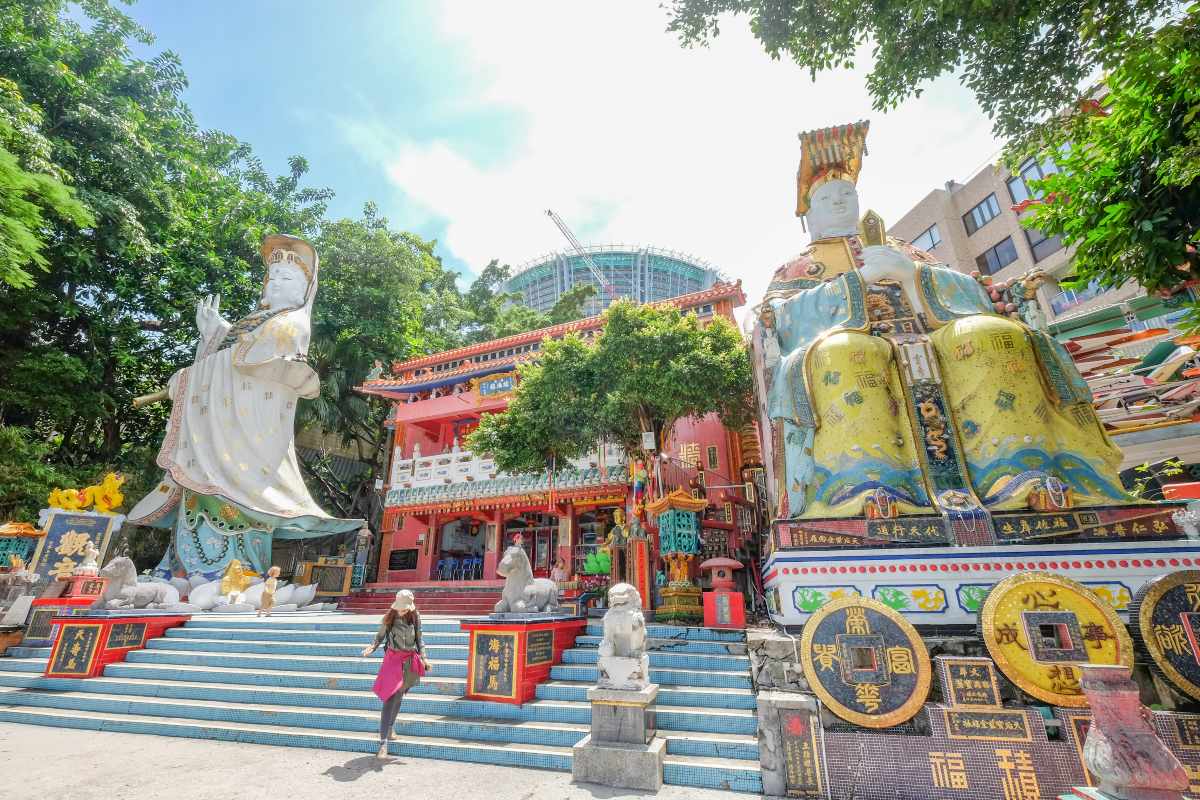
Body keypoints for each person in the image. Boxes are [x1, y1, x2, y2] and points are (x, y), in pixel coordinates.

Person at [752, 121, 1130, 523]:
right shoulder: (800, 267)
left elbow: (973, 290)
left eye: (848, 193)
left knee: (991, 335)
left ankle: (1018, 469)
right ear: (809, 214)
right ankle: (865, 481)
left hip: (932, 331)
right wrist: (855, 282)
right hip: (853, 343)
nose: (841, 202)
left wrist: (912, 276)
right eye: (828, 197)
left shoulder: (904, 250)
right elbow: (780, 318)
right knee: (845, 353)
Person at [127, 234, 361, 580]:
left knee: (235, 509)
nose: (278, 284)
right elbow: (226, 367)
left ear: (304, 291)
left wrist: (214, 354)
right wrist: (211, 338)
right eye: (274, 278)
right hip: (214, 438)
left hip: (248, 441)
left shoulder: (291, 325)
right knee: (197, 500)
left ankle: (232, 573)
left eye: (289, 279)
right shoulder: (253, 326)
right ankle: (180, 569)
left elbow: (250, 366)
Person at [362, 590, 428, 758]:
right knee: (390, 698)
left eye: (405, 609)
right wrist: (372, 647)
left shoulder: (415, 616)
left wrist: (425, 658)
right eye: (400, 608)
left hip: (408, 661)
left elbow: (419, 639)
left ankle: (391, 727)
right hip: (392, 660)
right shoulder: (390, 616)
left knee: (399, 696)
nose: (402, 611)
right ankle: (383, 743)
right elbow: (380, 636)